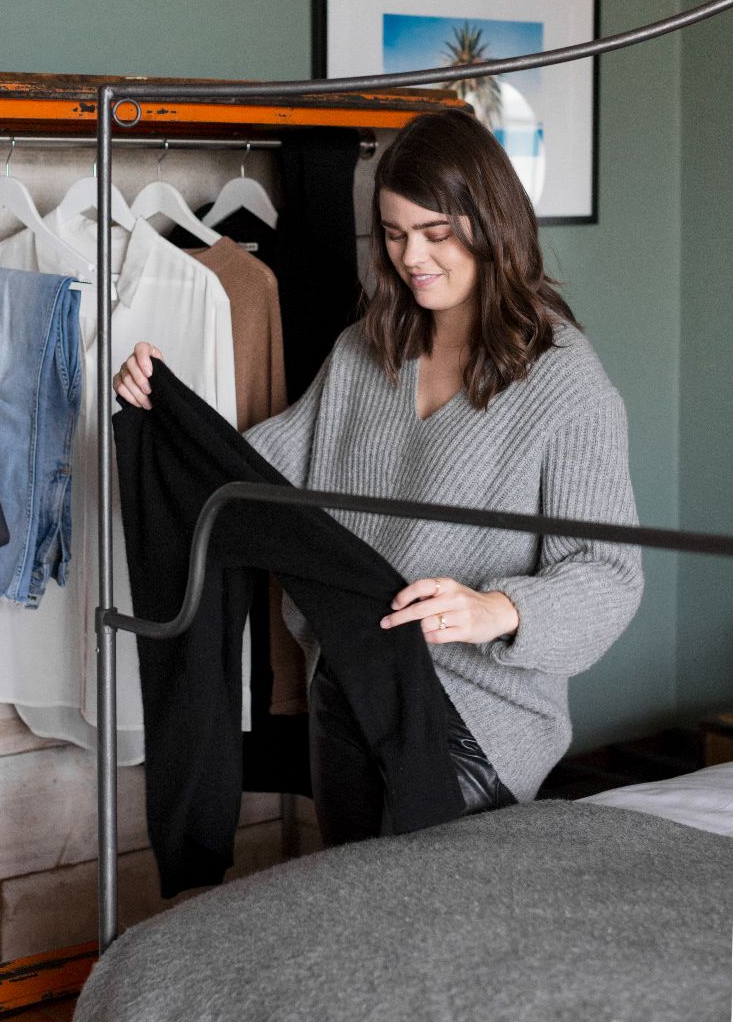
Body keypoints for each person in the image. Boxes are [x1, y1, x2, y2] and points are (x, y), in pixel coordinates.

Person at [113, 109, 643, 846]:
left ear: (493, 226)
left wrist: (497, 609)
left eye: (435, 233)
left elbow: (610, 575)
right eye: (393, 234)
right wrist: (167, 409)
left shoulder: (566, 385)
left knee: (422, 906)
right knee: (351, 899)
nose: (411, 257)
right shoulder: (366, 350)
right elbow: (258, 476)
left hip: (472, 717)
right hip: (347, 683)